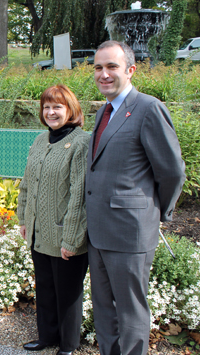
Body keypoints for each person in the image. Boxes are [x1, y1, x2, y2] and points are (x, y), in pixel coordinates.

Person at [86, 40, 186, 355]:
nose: (104, 74)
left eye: (111, 66)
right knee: (104, 310)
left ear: (130, 70)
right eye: (98, 67)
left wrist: (159, 212)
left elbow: (171, 172)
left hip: (130, 232)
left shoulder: (148, 108)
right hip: (99, 232)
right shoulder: (105, 111)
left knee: (130, 314)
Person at [17, 85, 90, 355]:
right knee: (45, 287)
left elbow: (79, 195)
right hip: (39, 231)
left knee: (67, 293)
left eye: (57, 107)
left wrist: (71, 239)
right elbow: (27, 183)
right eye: (46, 107)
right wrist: (24, 218)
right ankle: (46, 336)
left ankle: (68, 345)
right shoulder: (40, 140)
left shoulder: (81, 143)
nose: (51, 112)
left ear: (71, 110)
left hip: (65, 235)